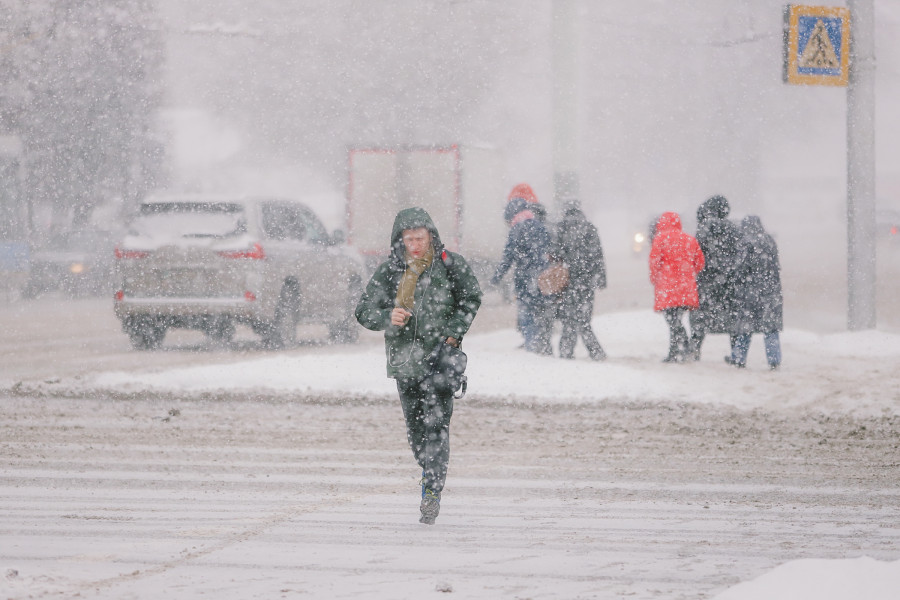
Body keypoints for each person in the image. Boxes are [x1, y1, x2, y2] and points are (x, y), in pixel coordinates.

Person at [355, 207, 482, 524]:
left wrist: (454, 334)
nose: (415, 244)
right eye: (409, 238)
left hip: (440, 362)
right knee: (416, 432)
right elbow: (363, 310)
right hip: (405, 365)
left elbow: (471, 298)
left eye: (420, 237)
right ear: (400, 240)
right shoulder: (390, 271)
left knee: (436, 428)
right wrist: (388, 317)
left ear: (431, 236)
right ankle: (429, 472)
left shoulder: (449, 265)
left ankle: (431, 492)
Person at [490, 188, 553, 355]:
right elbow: (552, 250)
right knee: (542, 315)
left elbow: (507, 258)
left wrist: (496, 278)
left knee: (527, 316)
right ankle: (544, 347)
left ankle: (531, 349)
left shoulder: (515, 230)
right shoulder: (540, 226)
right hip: (542, 279)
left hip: (524, 280)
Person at [550, 202, 607, 361]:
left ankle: (566, 352)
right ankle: (595, 352)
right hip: (587, 281)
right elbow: (598, 255)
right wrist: (601, 278)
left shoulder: (560, 228)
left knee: (569, 318)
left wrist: (565, 259)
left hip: (568, 280)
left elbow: (554, 252)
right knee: (584, 318)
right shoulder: (589, 228)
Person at [727, 215, 783, 370]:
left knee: (746, 327)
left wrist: (737, 286)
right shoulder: (770, 241)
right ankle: (774, 360)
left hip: (750, 292)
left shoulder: (746, 243)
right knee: (770, 327)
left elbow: (740, 269)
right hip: (771, 291)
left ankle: (738, 358)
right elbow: (775, 267)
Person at [689, 195, 741, 360]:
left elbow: (696, 254)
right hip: (729, 281)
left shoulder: (703, 229)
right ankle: (736, 353)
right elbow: (739, 254)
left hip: (706, 280)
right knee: (732, 317)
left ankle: (695, 350)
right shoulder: (733, 229)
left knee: (701, 318)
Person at [648, 212, 705, 362]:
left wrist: (655, 279)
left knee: (672, 321)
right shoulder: (689, 239)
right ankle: (676, 351)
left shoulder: (660, 239)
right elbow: (700, 262)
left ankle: (682, 347)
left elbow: (654, 262)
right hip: (685, 287)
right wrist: (688, 274)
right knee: (676, 319)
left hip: (667, 286)